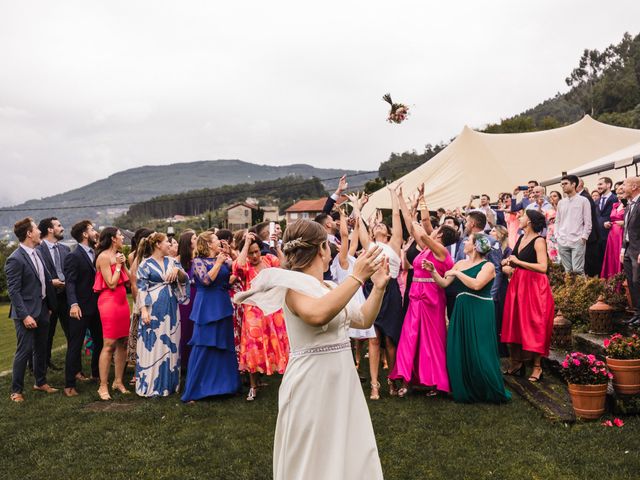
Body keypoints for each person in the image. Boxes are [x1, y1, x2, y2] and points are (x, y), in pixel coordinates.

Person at [235, 219, 389, 480]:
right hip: (311, 383)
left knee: (348, 451)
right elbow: (316, 314)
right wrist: (356, 277)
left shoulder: (329, 287)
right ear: (321, 249)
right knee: (314, 458)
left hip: (342, 383)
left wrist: (379, 287)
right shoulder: (292, 287)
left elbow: (362, 319)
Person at [427, 233, 510, 403]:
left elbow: (477, 285)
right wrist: (433, 271)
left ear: (475, 246)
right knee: (460, 348)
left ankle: (488, 388)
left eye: (468, 240)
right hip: (462, 308)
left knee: (481, 350)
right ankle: (465, 387)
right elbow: (443, 283)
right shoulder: (459, 263)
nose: (464, 242)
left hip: (480, 309)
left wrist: (457, 274)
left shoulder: (487, 266)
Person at [390, 184, 456, 397]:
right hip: (416, 296)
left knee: (430, 340)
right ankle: (409, 379)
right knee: (410, 337)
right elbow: (412, 227)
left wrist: (417, 206)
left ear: (440, 235)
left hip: (431, 298)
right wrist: (400, 199)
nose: (433, 230)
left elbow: (420, 231)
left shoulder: (440, 250)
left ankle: (434, 382)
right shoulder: (427, 247)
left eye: (437, 229)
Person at [355, 186, 404, 397]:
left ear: (388, 233)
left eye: (383, 226)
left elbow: (395, 216)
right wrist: (358, 207)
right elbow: (360, 225)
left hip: (391, 291)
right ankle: (375, 384)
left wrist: (394, 197)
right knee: (373, 339)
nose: (379, 226)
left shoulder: (394, 244)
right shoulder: (370, 245)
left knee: (390, 340)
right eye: (376, 225)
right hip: (373, 290)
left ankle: (392, 379)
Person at [181, 232, 240, 401]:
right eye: (216, 240)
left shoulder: (223, 258)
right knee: (204, 344)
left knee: (224, 344)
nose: (219, 243)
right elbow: (206, 280)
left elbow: (238, 268)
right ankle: (198, 388)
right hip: (206, 306)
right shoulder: (198, 261)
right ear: (208, 244)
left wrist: (232, 253)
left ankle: (226, 386)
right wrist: (219, 262)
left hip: (222, 304)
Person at [6, 218, 57, 402]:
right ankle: (16, 391)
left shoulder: (38, 253)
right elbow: (14, 291)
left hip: (43, 309)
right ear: (29, 233)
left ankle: (40, 382)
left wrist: (48, 307)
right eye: (36, 229)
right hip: (25, 313)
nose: (38, 232)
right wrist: (25, 315)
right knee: (24, 350)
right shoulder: (15, 259)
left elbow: (43, 281)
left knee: (41, 349)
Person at [234, 231, 288, 401]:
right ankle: (253, 385)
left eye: (257, 251)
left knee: (279, 344)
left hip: (273, 310)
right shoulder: (246, 267)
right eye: (251, 253)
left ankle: (287, 384)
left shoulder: (269, 260)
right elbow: (237, 266)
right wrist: (246, 244)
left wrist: (277, 246)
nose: (255, 255)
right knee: (252, 347)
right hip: (253, 312)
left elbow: (286, 267)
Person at [501, 210, 555, 382]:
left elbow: (542, 267)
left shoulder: (539, 240)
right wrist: (508, 262)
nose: (519, 218)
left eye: (523, 216)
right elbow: (515, 259)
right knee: (515, 322)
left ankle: (537, 367)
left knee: (534, 323)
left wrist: (518, 262)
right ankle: (517, 362)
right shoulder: (520, 238)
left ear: (530, 221)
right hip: (519, 284)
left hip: (534, 286)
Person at [331, 201, 377, 394]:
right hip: (349, 301)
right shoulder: (340, 261)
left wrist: (358, 213)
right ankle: (349, 377)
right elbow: (344, 235)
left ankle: (372, 383)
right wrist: (342, 215)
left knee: (372, 339)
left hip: (359, 299)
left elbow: (354, 239)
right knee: (346, 342)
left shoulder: (349, 257)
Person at [135, 232, 188, 397]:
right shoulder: (145, 264)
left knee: (170, 341)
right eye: (167, 242)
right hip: (153, 309)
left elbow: (185, 279)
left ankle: (170, 384)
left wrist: (176, 271)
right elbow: (141, 289)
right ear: (158, 244)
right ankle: (152, 385)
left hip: (171, 308)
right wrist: (144, 311)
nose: (170, 245)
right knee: (154, 344)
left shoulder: (173, 262)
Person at [63, 220, 103, 397]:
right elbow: (70, 283)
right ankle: (69, 384)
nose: (95, 232)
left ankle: (96, 373)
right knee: (75, 345)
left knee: (100, 341)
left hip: (96, 307)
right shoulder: (74, 256)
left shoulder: (95, 253)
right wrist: (73, 304)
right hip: (79, 308)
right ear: (85, 234)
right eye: (92, 229)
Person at [94, 227, 131, 400]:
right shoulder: (103, 257)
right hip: (109, 303)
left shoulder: (118, 257)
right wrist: (117, 266)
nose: (122, 237)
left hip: (123, 303)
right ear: (112, 239)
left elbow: (130, 280)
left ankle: (118, 381)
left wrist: (123, 264)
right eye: (120, 235)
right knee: (109, 344)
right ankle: (103, 385)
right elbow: (111, 283)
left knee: (123, 342)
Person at [36, 217, 70, 371]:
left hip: (65, 296)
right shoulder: (37, 251)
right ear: (50, 229)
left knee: (70, 331)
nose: (62, 228)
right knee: (46, 333)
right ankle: (41, 364)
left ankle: (74, 365)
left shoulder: (65, 249)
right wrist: (51, 283)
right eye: (59, 225)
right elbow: (35, 276)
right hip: (47, 298)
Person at [126, 228, 154, 373]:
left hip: (154, 297)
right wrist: (138, 303)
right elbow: (134, 283)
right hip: (141, 298)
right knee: (139, 332)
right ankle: (138, 366)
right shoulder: (134, 257)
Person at [555, 175, 592, 274]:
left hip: (577, 240)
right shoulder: (561, 203)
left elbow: (588, 221)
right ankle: (570, 289)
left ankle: (583, 290)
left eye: (565, 184)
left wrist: (584, 237)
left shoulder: (583, 200)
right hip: (562, 240)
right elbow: (557, 221)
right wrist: (557, 236)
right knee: (568, 271)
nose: (563, 186)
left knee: (578, 270)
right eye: (561, 184)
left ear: (573, 184)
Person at [177, 229, 197, 368]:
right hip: (184, 298)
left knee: (195, 327)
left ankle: (194, 359)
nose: (197, 240)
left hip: (197, 296)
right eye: (195, 238)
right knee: (184, 328)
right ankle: (183, 361)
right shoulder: (178, 261)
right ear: (189, 243)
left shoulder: (198, 259)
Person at [621, 177, 640, 327]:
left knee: (637, 281)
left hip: (638, 250)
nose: (621, 187)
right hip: (628, 249)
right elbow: (626, 229)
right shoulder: (629, 205)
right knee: (631, 282)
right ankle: (637, 313)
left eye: (625, 184)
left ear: (634, 186)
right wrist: (622, 249)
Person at [577, 178, 602, 276]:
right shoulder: (581, 197)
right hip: (587, 234)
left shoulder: (585, 197)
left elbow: (586, 219)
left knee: (590, 261)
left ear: (578, 185)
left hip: (589, 235)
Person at [601, 183, 626, 278]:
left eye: (622, 193)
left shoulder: (628, 205)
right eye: (618, 193)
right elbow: (612, 218)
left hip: (622, 234)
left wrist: (624, 222)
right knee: (612, 257)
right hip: (612, 234)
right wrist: (607, 223)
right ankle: (611, 280)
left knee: (620, 256)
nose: (619, 196)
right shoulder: (615, 205)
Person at [595, 177, 618, 276]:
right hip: (598, 236)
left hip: (610, 235)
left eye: (601, 184)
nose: (598, 187)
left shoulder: (615, 199)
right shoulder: (596, 201)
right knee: (599, 261)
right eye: (598, 185)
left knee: (610, 260)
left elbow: (618, 216)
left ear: (608, 185)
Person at [546, 190, 562, 264]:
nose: (552, 198)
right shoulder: (548, 211)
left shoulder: (563, 208)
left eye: (555, 196)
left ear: (559, 198)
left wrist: (556, 206)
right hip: (550, 235)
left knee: (561, 254)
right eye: (551, 196)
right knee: (552, 253)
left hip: (561, 233)